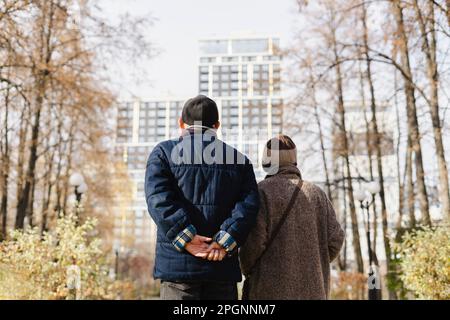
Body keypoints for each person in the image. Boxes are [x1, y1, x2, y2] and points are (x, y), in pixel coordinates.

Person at [145, 95, 259, 300]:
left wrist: (186, 238)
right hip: (221, 268)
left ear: (181, 123)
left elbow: (158, 199)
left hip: (178, 268)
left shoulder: (163, 152)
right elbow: (249, 206)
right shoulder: (240, 160)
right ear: (217, 125)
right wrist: (224, 241)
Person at [240, 135, 345, 300]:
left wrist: (247, 269)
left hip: (268, 291)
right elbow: (336, 239)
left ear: (267, 162)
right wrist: (313, 261)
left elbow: (253, 245)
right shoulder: (317, 194)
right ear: (294, 160)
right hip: (314, 291)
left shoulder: (262, 191)